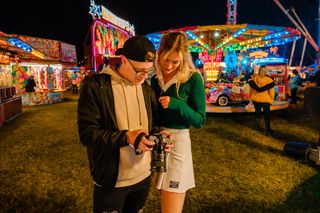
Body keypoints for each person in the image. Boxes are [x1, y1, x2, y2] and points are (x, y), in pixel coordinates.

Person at [78, 35, 171, 213]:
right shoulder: (96, 86)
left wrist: (159, 135)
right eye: (139, 71)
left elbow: (150, 126)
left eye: (148, 71)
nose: (144, 77)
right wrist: (126, 137)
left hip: (143, 177)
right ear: (123, 60)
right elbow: (87, 133)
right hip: (112, 181)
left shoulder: (146, 89)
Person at [150, 32, 206, 213]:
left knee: (172, 200)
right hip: (156, 141)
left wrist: (177, 104)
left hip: (178, 143)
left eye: (175, 62)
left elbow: (199, 120)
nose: (168, 66)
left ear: (184, 58)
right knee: (161, 193)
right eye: (165, 60)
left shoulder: (193, 78)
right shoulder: (153, 78)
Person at [249, 65, 275, 134]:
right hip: (265, 99)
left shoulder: (254, 79)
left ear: (259, 70)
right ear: (265, 71)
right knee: (267, 114)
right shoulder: (269, 80)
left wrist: (250, 97)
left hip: (256, 99)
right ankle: (267, 129)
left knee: (257, 113)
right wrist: (271, 99)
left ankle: (257, 128)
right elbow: (271, 92)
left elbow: (251, 90)